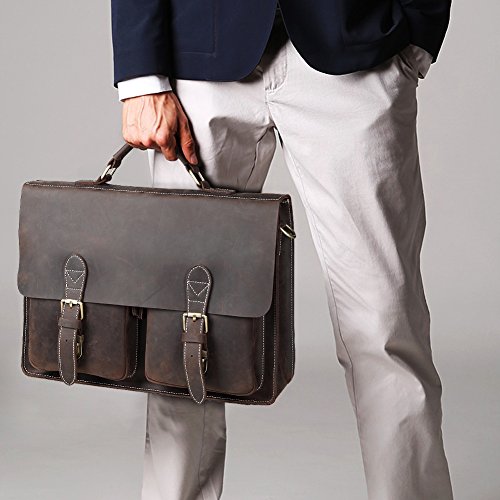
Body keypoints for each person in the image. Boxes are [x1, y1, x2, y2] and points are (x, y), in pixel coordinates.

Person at [111, 1, 454, 499]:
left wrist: (418, 33)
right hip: (198, 56)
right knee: (180, 337)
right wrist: (141, 76)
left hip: (355, 48)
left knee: (385, 327)